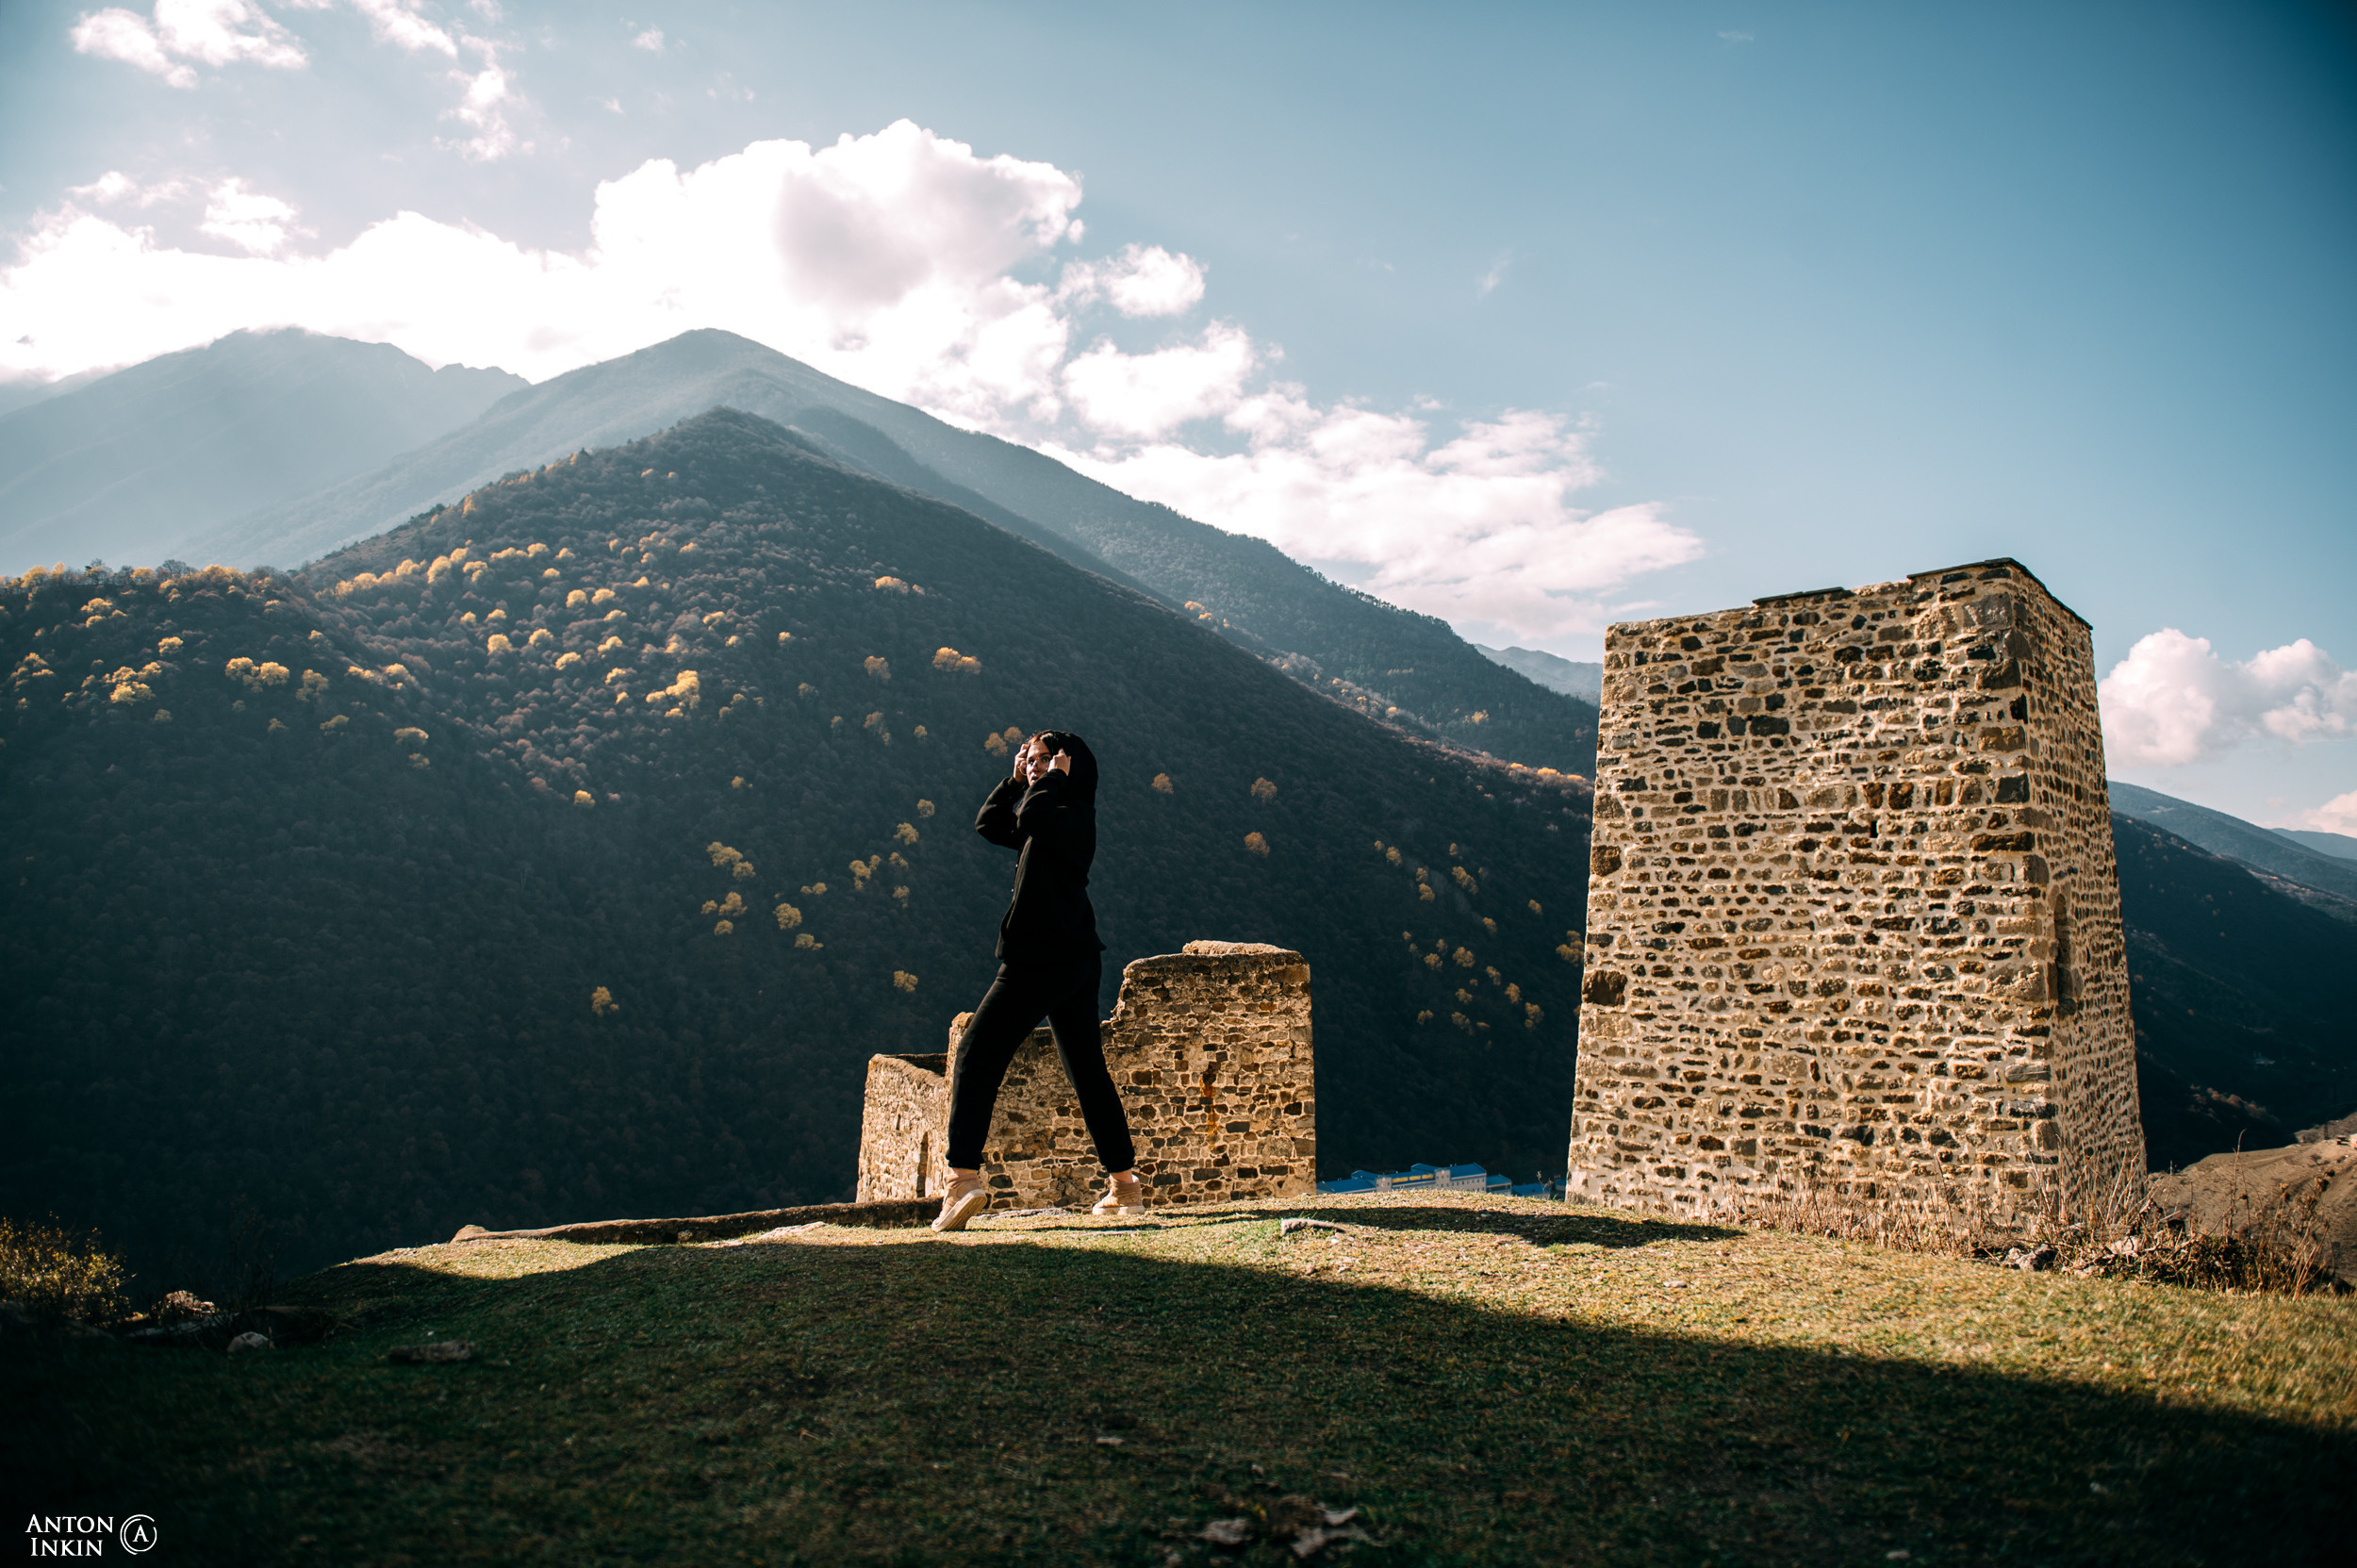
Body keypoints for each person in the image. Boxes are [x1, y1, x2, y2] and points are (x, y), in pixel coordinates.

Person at [931, 730, 1146, 1231]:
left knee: (976, 1054)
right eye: (1028, 758)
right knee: (1087, 1073)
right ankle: (1125, 1187)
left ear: (1069, 765)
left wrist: (1050, 779)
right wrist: (1014, 781)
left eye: (1044, 758)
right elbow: (989, 824)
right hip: (1074, 958)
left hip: (1040, 958)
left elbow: (1030, 817)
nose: (1033, 765)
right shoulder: (1048, 815)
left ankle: (962, 1179)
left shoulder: (1068, 817)